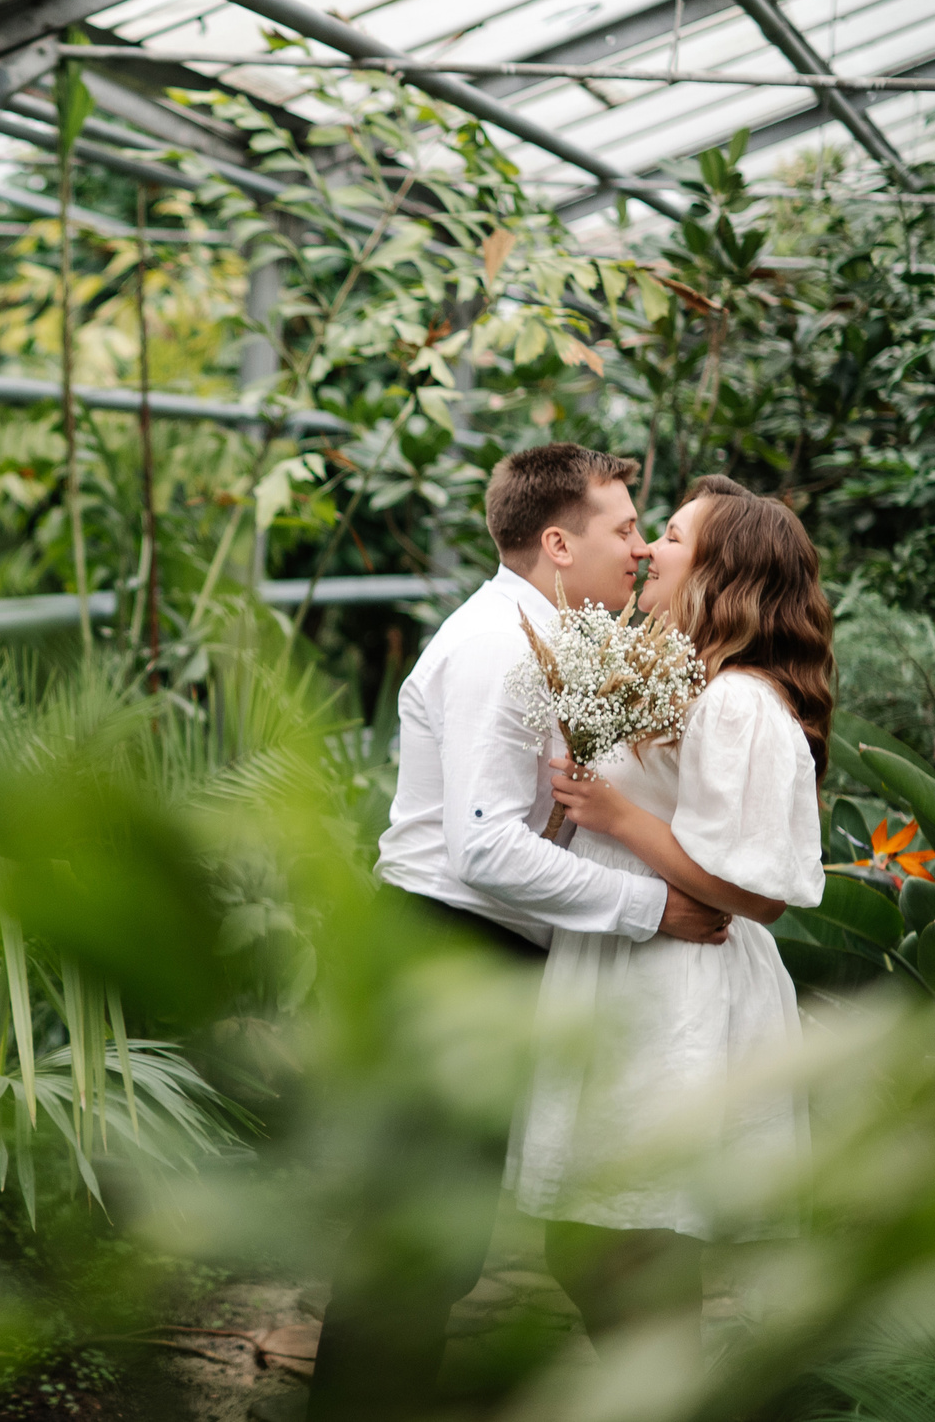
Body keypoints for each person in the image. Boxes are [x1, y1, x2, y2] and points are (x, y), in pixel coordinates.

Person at [307, 445, 735, 1422]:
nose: (639, 547)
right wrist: (653, 908)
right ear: (558, 543)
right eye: (625, 527)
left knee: (437, 1244)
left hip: (479, 951)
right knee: (414, 1247)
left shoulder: (550, 638)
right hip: (443, 951)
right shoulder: (498, 648)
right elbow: (485, 847)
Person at [520, 473, 832, 1355]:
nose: (648, 550)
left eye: (671, 536)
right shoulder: (687, 682)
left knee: (628, 1243)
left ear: (722, 575)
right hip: (632, 970)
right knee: (599, 1239)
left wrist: (618, 817)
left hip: (681, 990)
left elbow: (758, 892)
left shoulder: (741, 702)